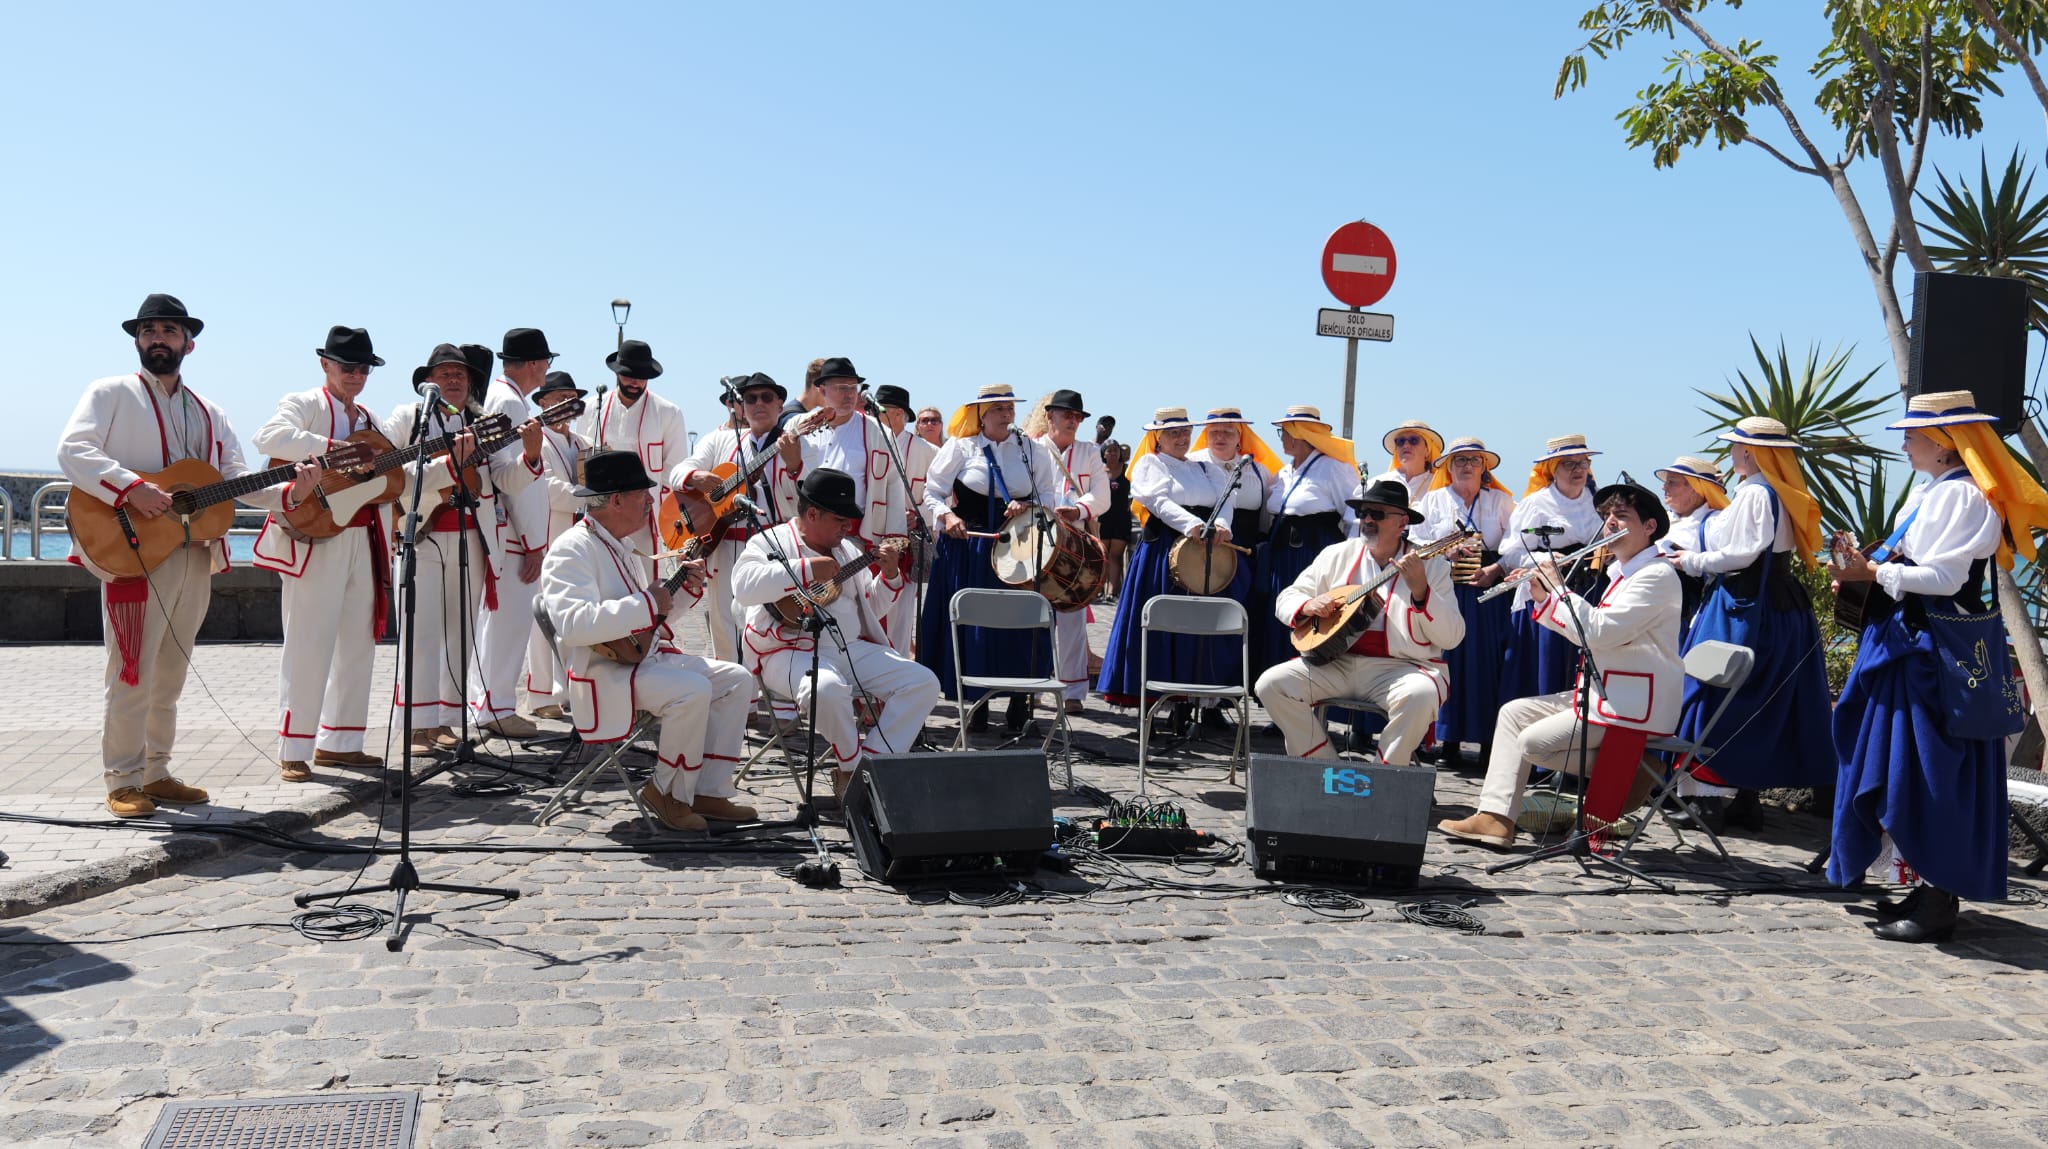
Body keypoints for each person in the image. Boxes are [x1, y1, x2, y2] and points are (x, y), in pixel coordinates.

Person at [57, 294, 316, 816]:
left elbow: (237, 480)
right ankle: (122, 779)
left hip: (194, 551)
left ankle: (156, 772)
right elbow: (73, 450)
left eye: (169, 331)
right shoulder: (109, 392)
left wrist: (294, 489)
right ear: (137, 340)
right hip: (132, 549)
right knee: (131, 668)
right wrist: (132, 488)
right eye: (149, 330)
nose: (158, 338)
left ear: (188, 344)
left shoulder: (210, 413)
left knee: (171, 670)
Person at [1826, 391, 2048, 942]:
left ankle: (1937, 900)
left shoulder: (1962, 496)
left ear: (1944, 444)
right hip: (1914, 645)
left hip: (1932, 654)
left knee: (1928, 767)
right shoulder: (1936, 492)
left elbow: (1944, 580)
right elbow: (1913, 566)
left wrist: (1873, 575)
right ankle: (1923, 888)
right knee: (1907, 762)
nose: (1904, 445)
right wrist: (1863, 575)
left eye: (1912, 436)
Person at [1439, 482, 1681, 848]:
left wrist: (1558, 589)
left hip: (1632, 705)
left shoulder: (1656, 576)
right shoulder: (1625, 574)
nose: (1610, 523)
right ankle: (1495, 818)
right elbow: (1586, 633)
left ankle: (1637, 769)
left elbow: (1598, 632)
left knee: (1532, 742)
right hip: (1606, 693)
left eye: (1621, 516)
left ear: (1649, 527)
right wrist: (1542, 597)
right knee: (1514, 713)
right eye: (1607, 516)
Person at [540, 450, 757, 832]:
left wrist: (684, 591)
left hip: (639, 661)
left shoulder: (619, 545)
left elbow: (647, 624)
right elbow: (574, 625)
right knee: (691, 691)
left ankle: (707, 791)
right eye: (642, 493)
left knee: (737, 680)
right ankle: (667, 792)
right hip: (604, 673)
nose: (650, 501)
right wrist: (646, 603)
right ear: (616, 500)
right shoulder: (571, 549)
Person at [249, 325, 400, 781]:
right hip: (315, 535)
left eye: (363, 368)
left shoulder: (370, 418)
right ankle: (294, 747)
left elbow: (384, 478)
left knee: (358, 642)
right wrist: (337, 451)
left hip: (363, 536)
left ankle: (341, 743)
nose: (356, 375)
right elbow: (269, 437)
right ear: (325, 365)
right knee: (308, 642)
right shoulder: (304, 403)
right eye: (347, 366)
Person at [733, 468, 940, 795]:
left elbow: (871, 608)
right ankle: (853, 769)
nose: (848, 528)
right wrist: (806, 568)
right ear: (812, 514)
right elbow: (743, 587)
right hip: (786, 651)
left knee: (923, 682)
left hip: (847, 647)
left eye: (849, 521)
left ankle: (872, 762)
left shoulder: (849, 551)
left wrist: (889, 577)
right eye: (840, 520)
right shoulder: (770, 541)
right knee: (825, 689)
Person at [1667, 416, 1835, 807]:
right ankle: (1745, 799)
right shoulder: (1779, 491)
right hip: (1779, 603)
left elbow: (1742, 555)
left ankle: (1709, 798)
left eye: (1735, 446)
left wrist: (1691, 561)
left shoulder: (1756, 493)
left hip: (1745, 605)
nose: (1731, 452)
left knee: (1718, 690)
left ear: (1748, 452)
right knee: (1765, 699)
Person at [1254, 479, 1463, 763]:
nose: (1367, 520)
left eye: (1377, 514)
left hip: (1400, 668)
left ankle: (1386, 774)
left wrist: (1421, 591)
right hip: (1335, 662)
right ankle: (1325, 766)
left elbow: (1452, 636)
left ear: (1402, 522)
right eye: (1363, 513)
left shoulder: (1433, 567)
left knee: (1421, 695)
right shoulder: (1337, 554)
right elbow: (1288, 596)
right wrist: (1308, 605)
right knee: (1271, 684)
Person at [384, 344, 524, 755]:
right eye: (444, 374)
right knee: (419, 633)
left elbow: (503, 479)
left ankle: (445, 720)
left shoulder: (480, 424)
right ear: (428, 381)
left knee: (460, 635)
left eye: (460, 374)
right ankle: (416, 726)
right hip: (421, 536)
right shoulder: (407, 417)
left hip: (469, 538)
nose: (453, 380)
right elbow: (388, 470)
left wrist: (531, 456)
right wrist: (446, 466)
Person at [919, 384, 1067, 730]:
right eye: (998, 409)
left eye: (1009, 409)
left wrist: (1027, 505)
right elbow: (932, 492)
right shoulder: (961, 448)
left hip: (1021, 550)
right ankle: (977, 702)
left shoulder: (1031, 451)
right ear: (981, 415)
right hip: (970, 549)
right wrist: (947, 516)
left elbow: (1049, 495)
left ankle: (1020, 701)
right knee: (975, 623)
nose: (1006, 415)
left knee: (1019, 624)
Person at [1097, 408, 1241, 723]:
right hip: (1163, 553)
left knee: (1197, 626)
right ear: (1158, 437)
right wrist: (1191, 525)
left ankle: (1189, 702)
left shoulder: (1205, 467)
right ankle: (1159, 700)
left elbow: (1226, 499)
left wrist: (1222, 525)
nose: (1181, 438)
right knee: (1165, 621)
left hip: (1202, 554)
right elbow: (1158, 502)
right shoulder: (1150, 464)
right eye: (1174, 433)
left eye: (1185, 432)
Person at [670, 372, 816, 663]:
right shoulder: (720, 440)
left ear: (780, 405)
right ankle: (733, 686)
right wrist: (695, 476)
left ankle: (774, 681)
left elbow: (807, 502)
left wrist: (794, 466)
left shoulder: (799, 445)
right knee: (724, 624)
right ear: (741, 406)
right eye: (750, 399)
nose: (758, 403)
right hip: (725, 545)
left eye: (766, 397)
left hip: (774, 548)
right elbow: (677, 472)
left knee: (772, 622)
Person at [469, 329, 558, 737]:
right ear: (535, 364)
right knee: (508, 625)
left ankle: (486, 703)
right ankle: (496, 707)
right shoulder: (509, 402)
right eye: (546, 362)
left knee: (496, 624)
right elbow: (512, 479)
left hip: (505, 528)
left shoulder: (501, 396)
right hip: (513, 532)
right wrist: (533, 543)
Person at [1412, 436, 1516, 766]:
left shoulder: (1501, 501)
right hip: (1447, 589)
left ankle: (1488, 744)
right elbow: (1415, 539)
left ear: (1484, 467)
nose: (1467, 466)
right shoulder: (1432, 501)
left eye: (1474, 460)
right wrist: (1445, 552)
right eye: (1460, 460)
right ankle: (1449, 741)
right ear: (1449, 466)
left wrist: (1496, 569)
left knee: (1489, 663)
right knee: (1449, 660)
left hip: (1488, 593)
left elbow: (1517, 543)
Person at [803, 358, 917, 641]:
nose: (848, 394)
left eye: (853, 387)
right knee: (808, 603)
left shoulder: (879, 432)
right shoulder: (801, 425)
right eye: (840, 387)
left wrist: (892, 537)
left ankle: (861, 661)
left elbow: (893, 486)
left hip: (856, 535)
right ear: (822, 390)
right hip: (807, 534)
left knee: (861, 610)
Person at [1251, 406, 1356, 682]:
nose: (1282, 438)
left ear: (1301, 434)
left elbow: (1353, 516)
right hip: (1280, 557)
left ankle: (1312, 687)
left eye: (1285, 432)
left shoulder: (1334, 468)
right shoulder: (1284, 473)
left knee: (1311, 619)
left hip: (1313, 554)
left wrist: (1353, 560)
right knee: (1281, 616)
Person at [1500, 435, 1605, 700]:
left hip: (1590, 591)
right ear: (1553, 469)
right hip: (1546, 592)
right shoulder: (1536, 504)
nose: (1578, 469)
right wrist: (1546, 557)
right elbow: (1511, 553)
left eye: (1583, 463)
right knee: (1550, 665)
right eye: (1569, 464)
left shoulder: (1599, 502)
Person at [1025, 389, 1108, 713]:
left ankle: (1073, 691)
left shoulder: (1089, 452)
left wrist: (1079, 509)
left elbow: (1102, 494)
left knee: (1072, 613)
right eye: (1067, 415)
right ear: (1050, 416)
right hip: (1038, 538)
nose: (1073, 421)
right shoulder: (1031, 447)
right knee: (1034, 613)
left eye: (1077, 417)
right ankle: (1032, 686)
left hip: (1075, 541)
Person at [576, 338, 686, 557]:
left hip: (645, 515)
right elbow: (581, 460)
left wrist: (655, 510)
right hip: (602, 512)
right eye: (628, 375)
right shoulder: (591, 408)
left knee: (643, 573)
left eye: (641, 377)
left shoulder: (668, 413)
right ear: (617, 373)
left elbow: (674, 469)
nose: (635, 382)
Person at [524, 371, 591, 720]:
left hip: (579, 539)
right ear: (543, 403)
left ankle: (571, 688)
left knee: (573, 613)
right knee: (542, 615)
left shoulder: (582, 442)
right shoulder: (538, 439)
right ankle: (540, 694)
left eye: (571, 398)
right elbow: (547, 488)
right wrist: (590, 498)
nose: (567, 404)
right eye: (560, 398)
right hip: (548, 536)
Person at [873, 383, 939, 657]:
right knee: (870, 606)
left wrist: (918, 515)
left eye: (879, 410)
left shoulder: (929, 451)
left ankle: (899, 665)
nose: (873, 415)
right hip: (873, 534)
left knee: (901, 611)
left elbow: (943, 496)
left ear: (898, 413)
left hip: (908, 541)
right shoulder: (871, 442)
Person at [1653, 455, 1728, 633]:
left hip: (1686, 617)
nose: (1664, 487)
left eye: (1672, 482)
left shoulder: (1715, 523)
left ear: (1695, 488)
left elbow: (1726, 565)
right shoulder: (1661, 519)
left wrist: (1688, 561)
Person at [1097, 439, 1134, 600]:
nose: (1112, 453)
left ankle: (1112, 592)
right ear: (1103, 453)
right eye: (1109, 450)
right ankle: (1098, 589)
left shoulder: (1127, 470)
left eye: (1115, 450)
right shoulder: (1098, 471)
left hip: (1121, 519)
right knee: (1102, 556)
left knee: (1115, 556)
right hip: (1102, 518)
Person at [1372, 420, 1442, 504]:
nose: (1406, 445)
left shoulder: (1439, 487)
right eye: (1400, 441)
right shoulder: (1378, 484)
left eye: (1414, 440)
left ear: (1427, 450)